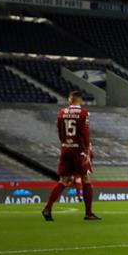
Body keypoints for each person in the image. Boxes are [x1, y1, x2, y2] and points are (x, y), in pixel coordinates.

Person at [41, 91, 100, 221]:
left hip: (66, 149)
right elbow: (85, 134)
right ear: (80, 100)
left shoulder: (61, 112)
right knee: (86, 179)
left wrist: (65, 144)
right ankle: (88, 213)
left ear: (70, 99)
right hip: (79, 150)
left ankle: (47, 208)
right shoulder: (84, 114)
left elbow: (60, 133)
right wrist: (87, 150)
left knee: (63, 181)